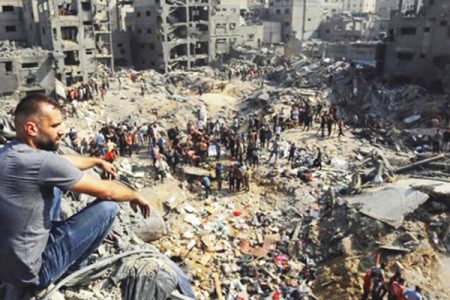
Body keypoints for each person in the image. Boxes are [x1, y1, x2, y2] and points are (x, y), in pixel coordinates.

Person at [0, 94, 152, 297]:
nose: (62, 131)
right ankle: (74, 267)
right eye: (55, 126)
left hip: (7, 267)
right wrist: (134, 194)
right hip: (32, 274)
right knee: (108, 208)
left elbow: (62, 162)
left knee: (54, 187)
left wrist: (97, 161)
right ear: (31, 129)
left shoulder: (9, 152)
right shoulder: (43, 164)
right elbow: (108, 191)